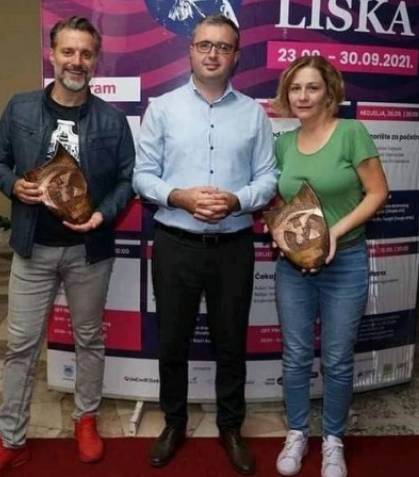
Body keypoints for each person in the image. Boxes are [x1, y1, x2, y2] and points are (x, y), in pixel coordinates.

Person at [0, 16, 135, 477]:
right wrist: (13, 185)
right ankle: (10, 440)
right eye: (68, 51)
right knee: (20, 346)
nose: (76, 61)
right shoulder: (20, 108)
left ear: (95, 60)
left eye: (85, 53)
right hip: (32, 249)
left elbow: (127, 179)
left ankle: (86, 419)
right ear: (52, 54)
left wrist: (103, 214)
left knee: (89, 339)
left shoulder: (112, 120)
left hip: (88, 251)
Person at [133, 14, 277, 476]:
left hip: (233, 245)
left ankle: (230, 428)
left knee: (231, 342)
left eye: (223, 46)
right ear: (190, 51)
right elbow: (142, 176)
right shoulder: (162, 109)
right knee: (172, 340)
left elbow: (268, 178)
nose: (213, 54)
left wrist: (237, 200)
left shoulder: (254, 114)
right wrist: (180, 196)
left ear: (236, 56)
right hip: (175, 243)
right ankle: (174, 423)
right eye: (204, 45)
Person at [268, 56, 388, 477]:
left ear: (329, 92)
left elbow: (378, 193)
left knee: (337, 359)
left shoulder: (351, 133)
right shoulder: (283, 143)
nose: (302, 96)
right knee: (296, 356)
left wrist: (333, 233)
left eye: (312, 87)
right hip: (294, 267)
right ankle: (297, 432)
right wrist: (282, 230)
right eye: (295, 88)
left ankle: (333, 440)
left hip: (346, 261)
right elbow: (284, 201)